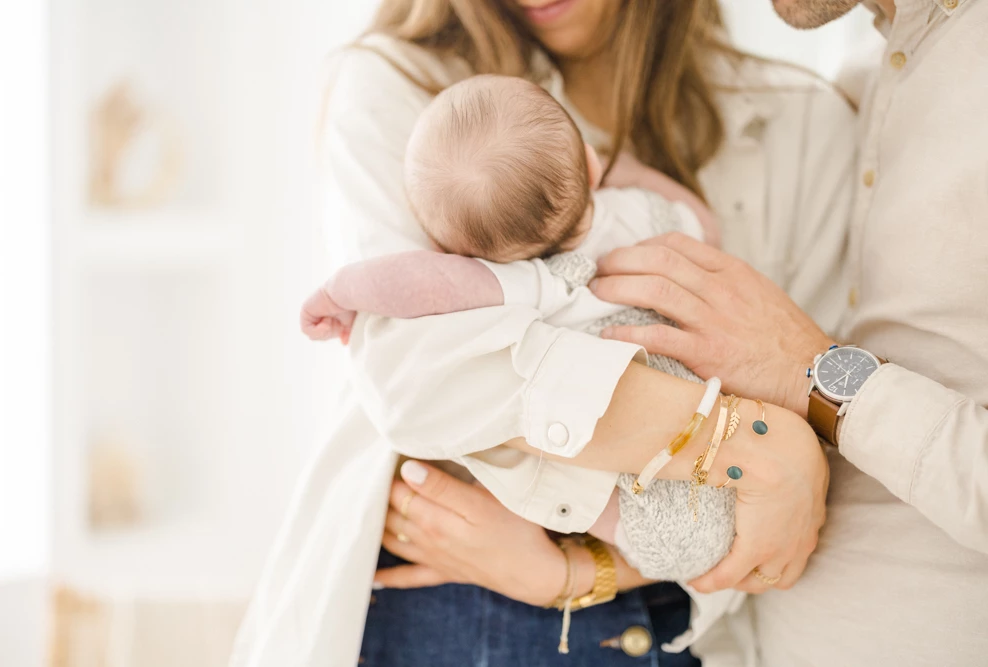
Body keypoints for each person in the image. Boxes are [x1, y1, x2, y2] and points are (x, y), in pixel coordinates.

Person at [229, 1, 856, 665]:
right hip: (448, 599)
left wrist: (574, 571)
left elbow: (796, 497)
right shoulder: (403, 86)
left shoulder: (802, 122)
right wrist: (759, 444)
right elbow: (417, 380)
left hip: (686, 624)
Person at [384, 1, 988, 666]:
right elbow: (406, 370)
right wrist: (772, 443)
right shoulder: (869, 80)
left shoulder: (806, 114)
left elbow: (799, 421)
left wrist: (813, 383)